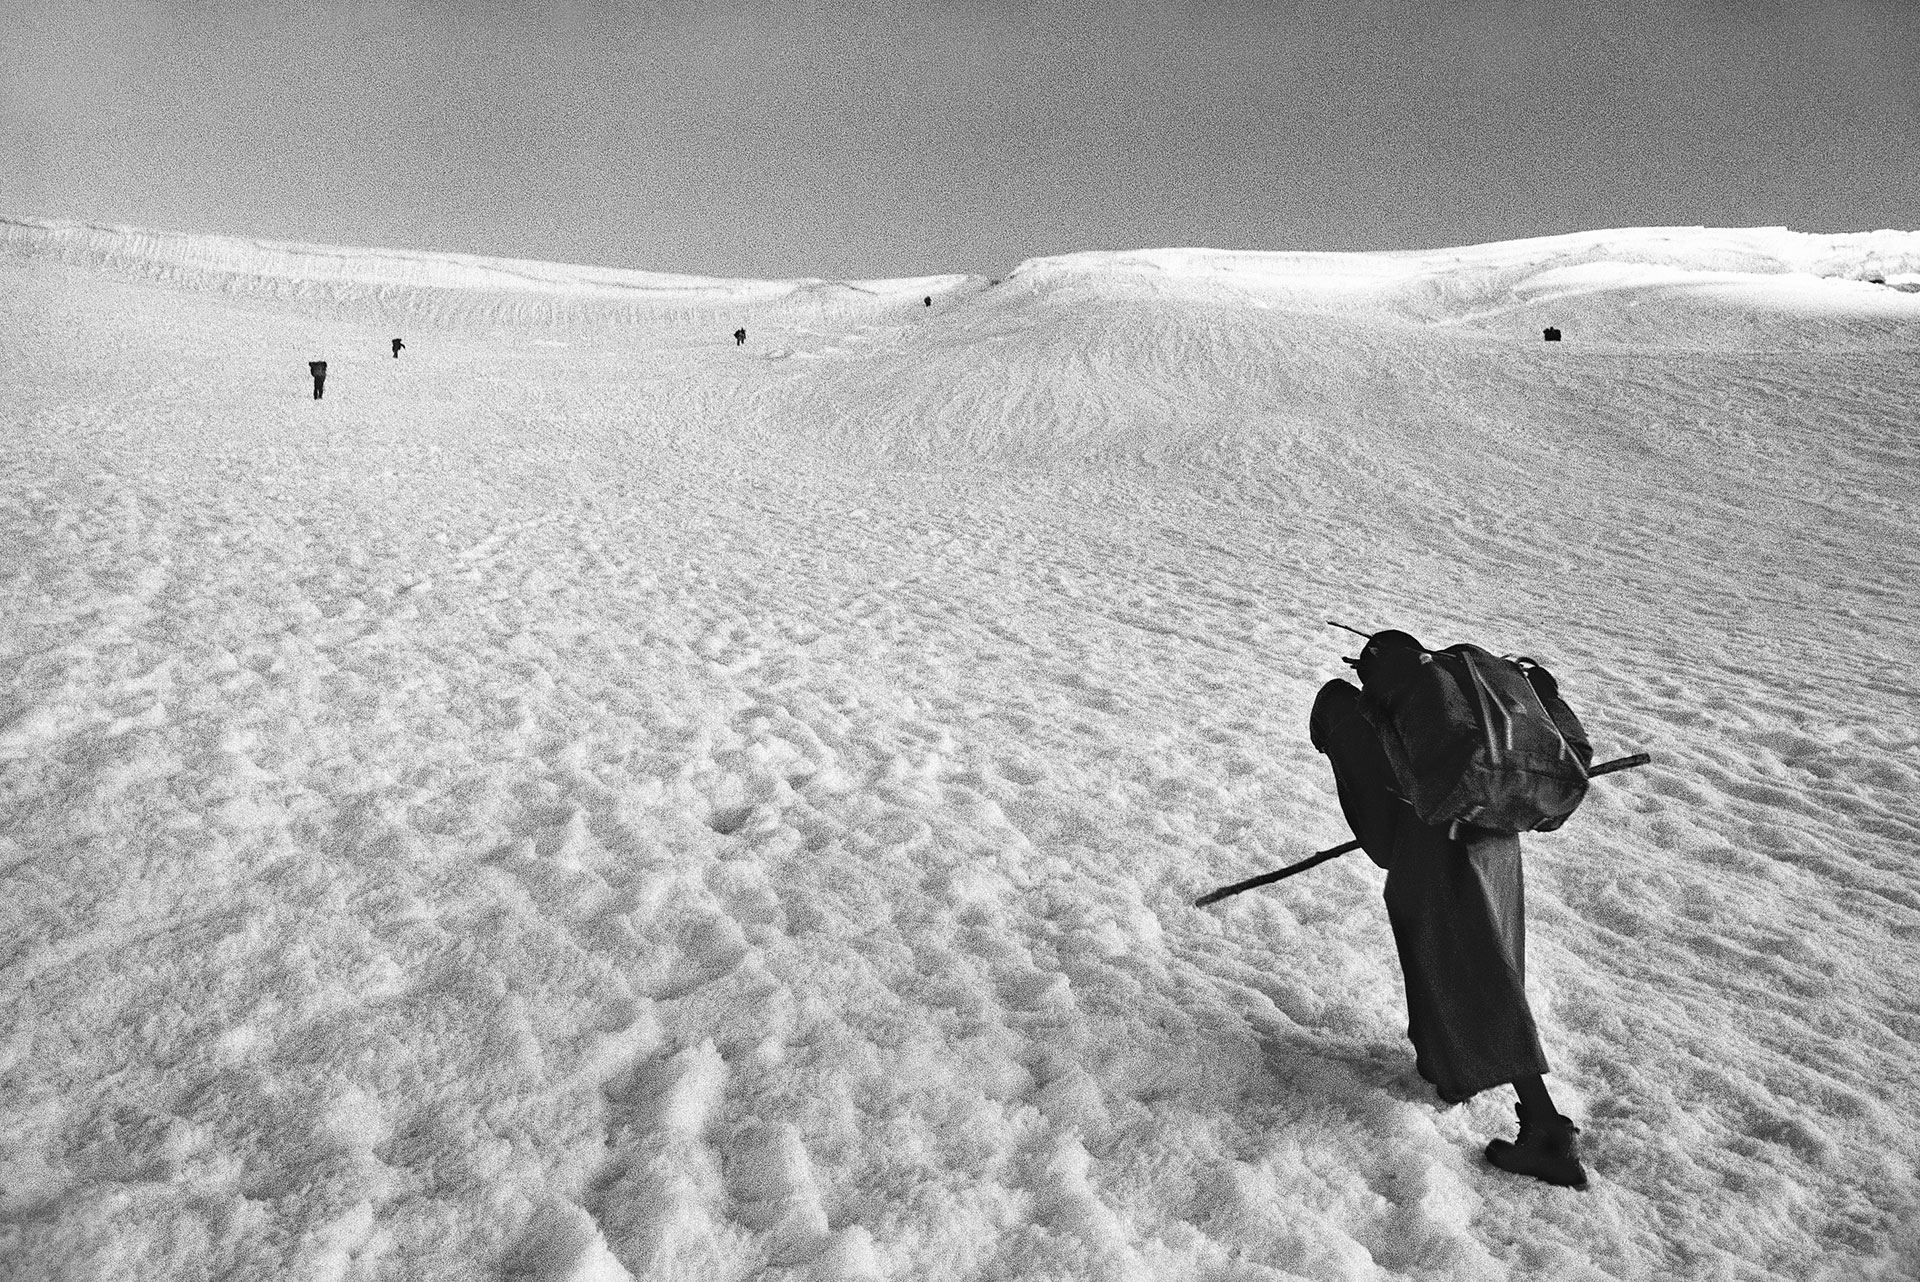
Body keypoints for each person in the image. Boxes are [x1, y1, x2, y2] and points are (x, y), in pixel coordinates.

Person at [1309, 629, 1588, 1188]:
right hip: (1495, 843)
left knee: (1472, 978)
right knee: (1488, 968)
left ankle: (1545, 1130)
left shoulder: (1353, 714)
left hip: (1433, 859)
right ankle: (1451, 1070)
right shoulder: (1462, 695)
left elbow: (1380, 838)